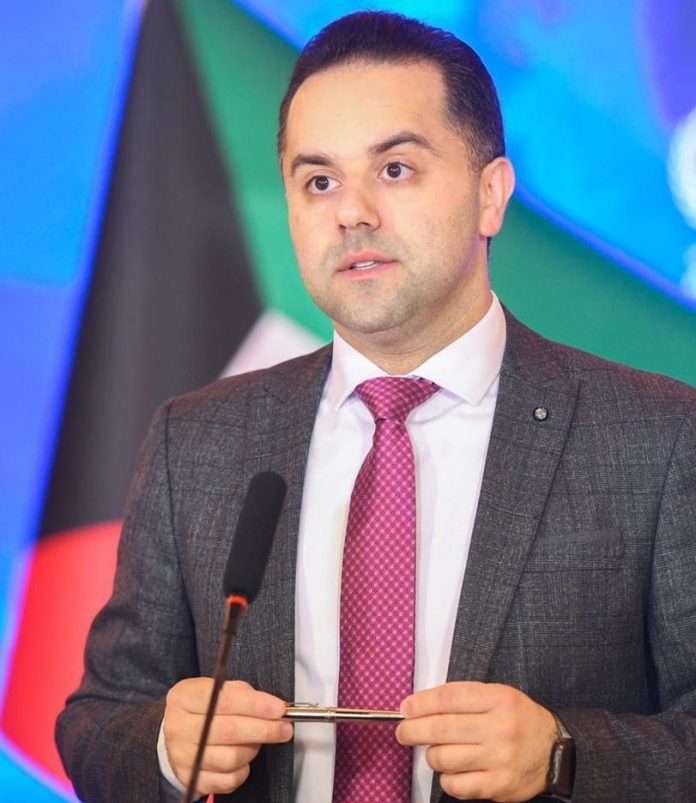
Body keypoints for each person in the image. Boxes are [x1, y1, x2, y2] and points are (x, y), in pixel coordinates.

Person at [56, 10, 696, 803]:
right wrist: (163, 744)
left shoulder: (657, 439)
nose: (351, 211)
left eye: (394, 169)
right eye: (319, 181)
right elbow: (98, 720)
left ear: (491, 195)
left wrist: (566, 755)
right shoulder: (197, 442)